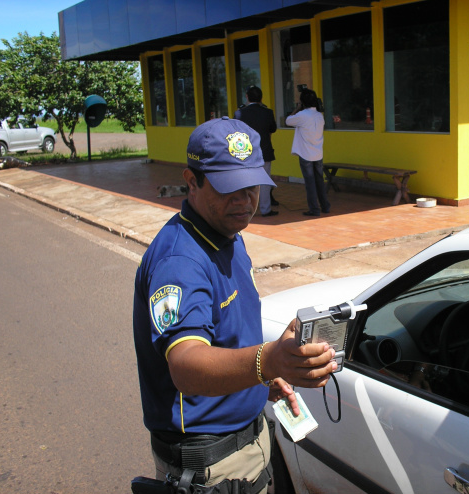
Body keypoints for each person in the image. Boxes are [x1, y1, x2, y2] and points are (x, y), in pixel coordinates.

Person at [132, 117, 337, 493]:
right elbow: (187, 365)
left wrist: (259, 379)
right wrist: (268, 360)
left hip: (246, 442)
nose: (244, 201)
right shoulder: (181, 262)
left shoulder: (228, 234)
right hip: (209, 461)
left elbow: (228, 334)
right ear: (191, 181)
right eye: (229, 189)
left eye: (252, 187)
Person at [234, 85, 279, 217]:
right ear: (261, 98)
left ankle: (246, 209)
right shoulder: (267, 112)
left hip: (244, 153)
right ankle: (266, 209)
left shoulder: (239, 113)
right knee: (265, 182)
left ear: (247, 97)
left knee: (246, 182)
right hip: (264, 152)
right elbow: (273, 129)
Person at [285, 88, 330, 217]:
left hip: (306, 154)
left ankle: (314, 209)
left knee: (310, 183)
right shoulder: (319, 116)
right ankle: (325, 206)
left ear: (303, 102)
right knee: (319, 181)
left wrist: (297, 108)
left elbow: (288, 121)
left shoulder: (302, 115)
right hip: (318, 153)